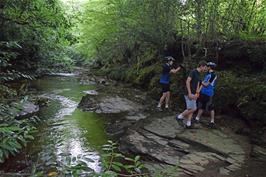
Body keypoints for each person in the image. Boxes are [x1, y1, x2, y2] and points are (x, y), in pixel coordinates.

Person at [176, 60, 207, 128]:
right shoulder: (193, 72)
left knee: (191, 108)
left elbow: (198, 84)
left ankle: (188, 123)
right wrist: (189, 93)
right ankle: (179, 116)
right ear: (201, 66)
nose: (205, 69)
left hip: (194, 94)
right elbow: (187, 81)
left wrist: (197, 93)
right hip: (188, 93)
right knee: (193, 108)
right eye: (205, 67)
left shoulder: (199, 74)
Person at [195, 62, 217, 128]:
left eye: (207, 66)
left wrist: (200, 81)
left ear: (210, 67)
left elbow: (206, 84)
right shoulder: (208, 74)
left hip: (209, 93)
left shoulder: (213, 75)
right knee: (202, 106)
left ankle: (212, 121)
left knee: (211, 107)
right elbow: (203, 83)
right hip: (203, 93)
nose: (206, 67)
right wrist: (198, 90)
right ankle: (197, 118)